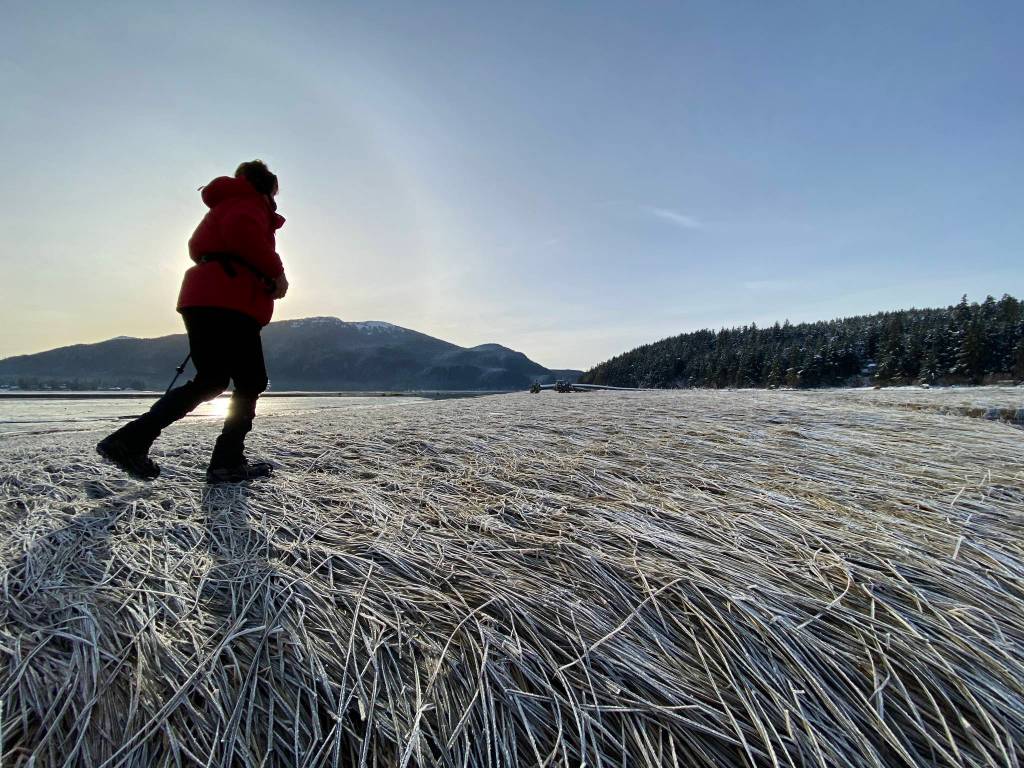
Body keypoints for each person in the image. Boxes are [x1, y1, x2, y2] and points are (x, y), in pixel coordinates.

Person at [97, 160, 290, 483]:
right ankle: (226, 462)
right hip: (230, 301)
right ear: (267, 186)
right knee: (250, 380)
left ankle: (130, 440)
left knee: (212, 379)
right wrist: (277, 273)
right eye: (275, 190)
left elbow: (220, 243)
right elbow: (244, 236)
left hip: (205, 297)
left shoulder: (227, 202)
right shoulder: (248, 203)